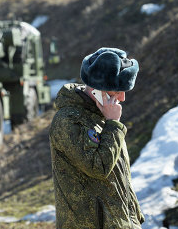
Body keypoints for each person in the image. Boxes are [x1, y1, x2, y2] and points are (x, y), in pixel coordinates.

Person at [49, 47, 145, 229]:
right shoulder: (68, 121)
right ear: (97, 90)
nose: (122, 98)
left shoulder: (103, 117)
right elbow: (99, 167)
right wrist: (113, 125)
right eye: (117, 91)